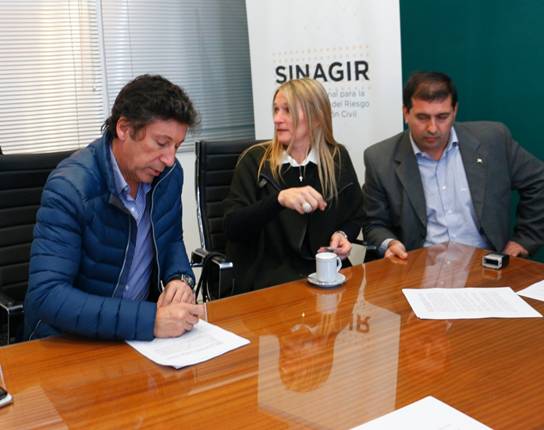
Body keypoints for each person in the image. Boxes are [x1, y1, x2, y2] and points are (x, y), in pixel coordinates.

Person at [24, 74, 204, 341]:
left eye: (176, 146)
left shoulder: (168, 175)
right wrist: (149, 321)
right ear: (124, 128)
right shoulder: (70, 187)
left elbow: (171, 239)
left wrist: (179, 278)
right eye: (161, 143)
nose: (169, 159)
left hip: (138, 339)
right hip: (71, 340)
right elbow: (48, 295)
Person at [362, 71, 544, 260]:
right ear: (406, 113)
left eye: (442, 117)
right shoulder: (380, 159)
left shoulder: (493, 140)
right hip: (419, 267)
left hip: (487, 265)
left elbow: (538, 181)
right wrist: (390, 243)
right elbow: (374, 224)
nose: (432, 128)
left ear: (455, 111)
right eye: (422, 117)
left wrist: (524, 240)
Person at [223, 78, 364, 293]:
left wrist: (343, 235)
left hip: (326, 277)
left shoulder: (337, 157)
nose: (277, 119)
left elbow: (355, 215)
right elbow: (232, 227)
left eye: (287, 110)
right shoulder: (254, 161)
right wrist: (278, 200)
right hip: (269, 284)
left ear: (316, 118)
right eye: (276, 109)